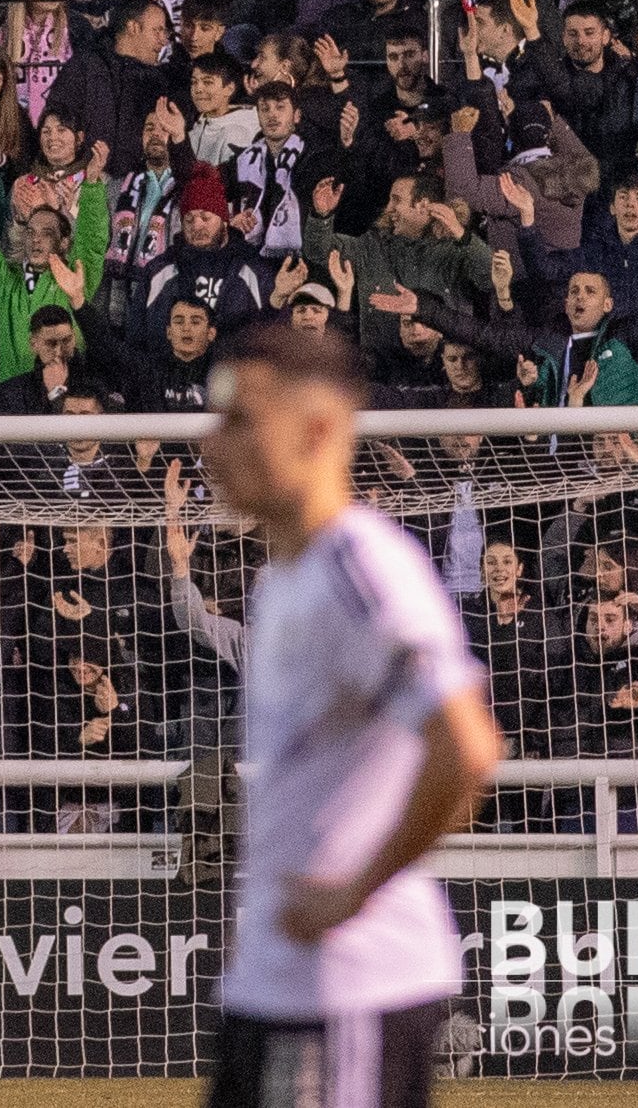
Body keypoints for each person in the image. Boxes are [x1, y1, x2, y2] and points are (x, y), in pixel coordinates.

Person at [197, 325, 499, 1108]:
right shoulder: (281, 580)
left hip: (346, 992)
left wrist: (354, 893)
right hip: (272, 988)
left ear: (320, 427)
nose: (210, 444)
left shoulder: (360, 567)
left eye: (239, 419)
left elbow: (466, 750)